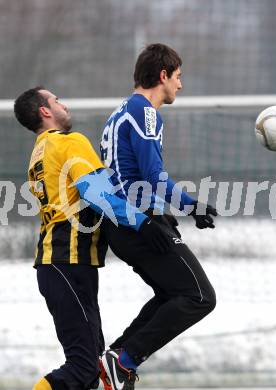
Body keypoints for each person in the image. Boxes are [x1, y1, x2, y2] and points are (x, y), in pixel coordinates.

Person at [14, 87, 171, 390]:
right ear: (45, 111)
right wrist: (144, 223)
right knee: (83, 369)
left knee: (90, 369)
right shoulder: (70, 142)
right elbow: (99, 194)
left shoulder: (39, 151)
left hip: (61, 265)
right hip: (66, 263)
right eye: (57, 100)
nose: (64, 103)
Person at [100, 43, 217, 390]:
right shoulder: (145, 112)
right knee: (199, 297)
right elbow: (153, 175)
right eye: (178, 77)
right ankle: (124, 360)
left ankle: (115, 358)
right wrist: (190, 204)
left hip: (127, 222)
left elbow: (129, 175)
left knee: (172, 294)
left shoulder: (120, 111)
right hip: (136, 223)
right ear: (162, 75)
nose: (180, 85)